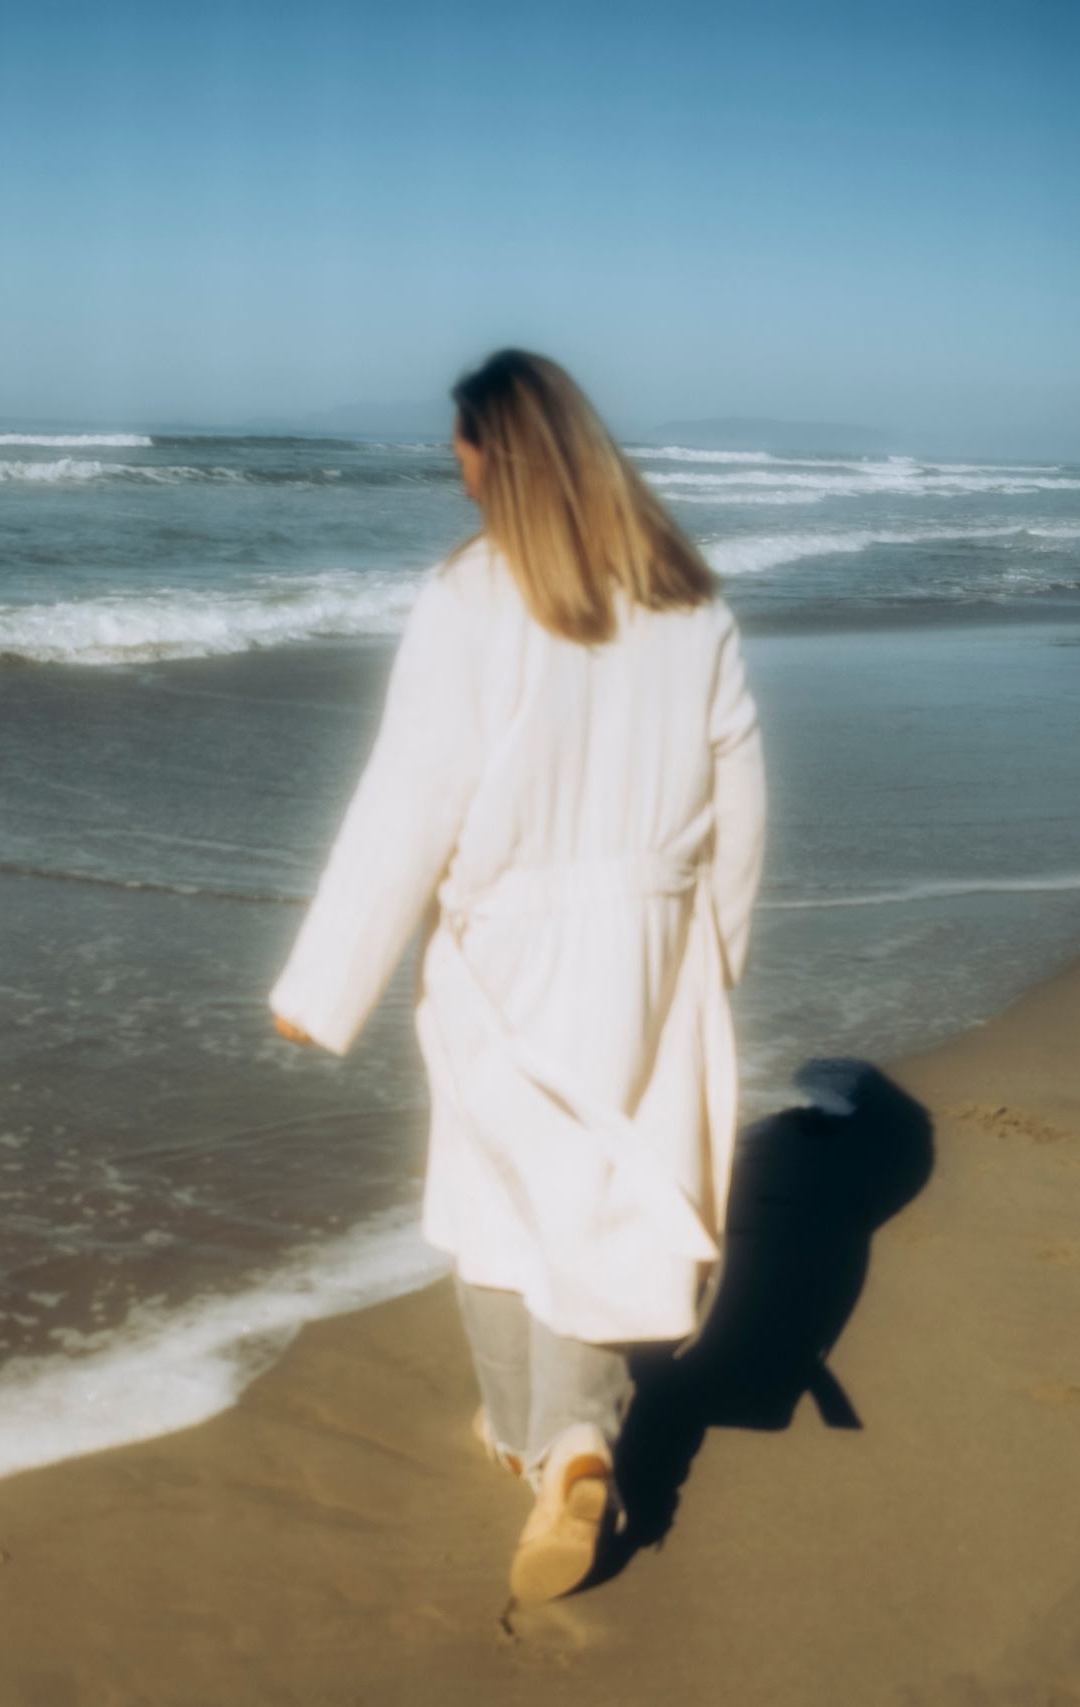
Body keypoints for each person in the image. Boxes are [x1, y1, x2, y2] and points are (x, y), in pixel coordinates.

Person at [269, 349, 766, 1601]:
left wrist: (324, 985)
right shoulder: (689, 599)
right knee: (598, 1190)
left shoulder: (473, 596)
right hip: (654, 939)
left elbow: (411, 797)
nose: (454, 468)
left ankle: (545, 1438)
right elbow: (739, 795)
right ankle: (567, 1437)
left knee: (498, 1186)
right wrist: (711, 953)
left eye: (462, 447)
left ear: (500, 453)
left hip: (512, 944)